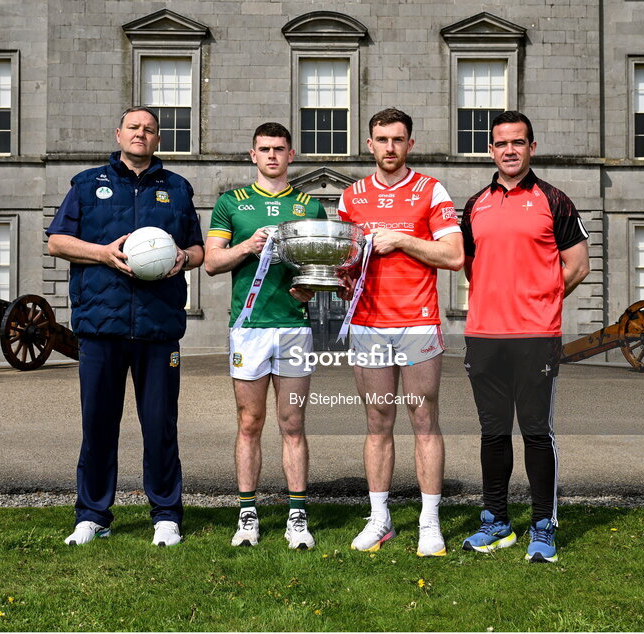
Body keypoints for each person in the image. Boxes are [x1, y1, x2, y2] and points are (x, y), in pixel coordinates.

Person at [46, 106, 205, 547]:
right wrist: (103, 253)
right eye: (134, 127)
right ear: (119, 134)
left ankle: (166, 515)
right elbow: (57, 241)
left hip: (158, 328)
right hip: (101, 326)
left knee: (160, 425)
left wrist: (183, 259)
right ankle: (93, 514)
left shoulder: (176, 188)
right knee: (98, 425)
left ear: (158, 140)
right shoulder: (86, 184)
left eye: (149, 129)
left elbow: (198, 249)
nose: (141, 134)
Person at [459, 111, 590, 563]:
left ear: (532, 147)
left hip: (536, 337)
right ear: (491, 150)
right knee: (492, 434)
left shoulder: (555, 201)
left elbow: (578, 265)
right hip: (484, 336)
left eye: (518, 142)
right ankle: (496, 523)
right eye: (500, 143)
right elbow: (471, 265)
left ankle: (542, 526)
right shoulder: (474, 205)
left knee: (536, 434)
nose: (509, 150)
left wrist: (544, 297)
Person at [337, 108, 463, 557]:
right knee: (377, 423)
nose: (389, 147)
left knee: (424, 421)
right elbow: (345, 260)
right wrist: (336, 275)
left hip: (417, 320)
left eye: (397, 139)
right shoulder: (351, 197)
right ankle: (381, 519)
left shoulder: (431, 189)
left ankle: (430, 523)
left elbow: (453, 255)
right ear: (368, 144)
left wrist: (402, 239)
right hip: (368, 324)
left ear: (410, 143)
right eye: (381, 139)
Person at [204, 122, 327, 549]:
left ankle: (297, 517)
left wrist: (310, 287)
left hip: (293, 328)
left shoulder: (311, 207)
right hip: (250, 329)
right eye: (264, 149)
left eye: (279, 149)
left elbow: (322, 270)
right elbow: (212, 262)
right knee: (250, 422)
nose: (272, 155)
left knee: (293, 423)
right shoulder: (230, 204)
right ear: (252, 155)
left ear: (291, 155)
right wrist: (247, 247)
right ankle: (248, 516)